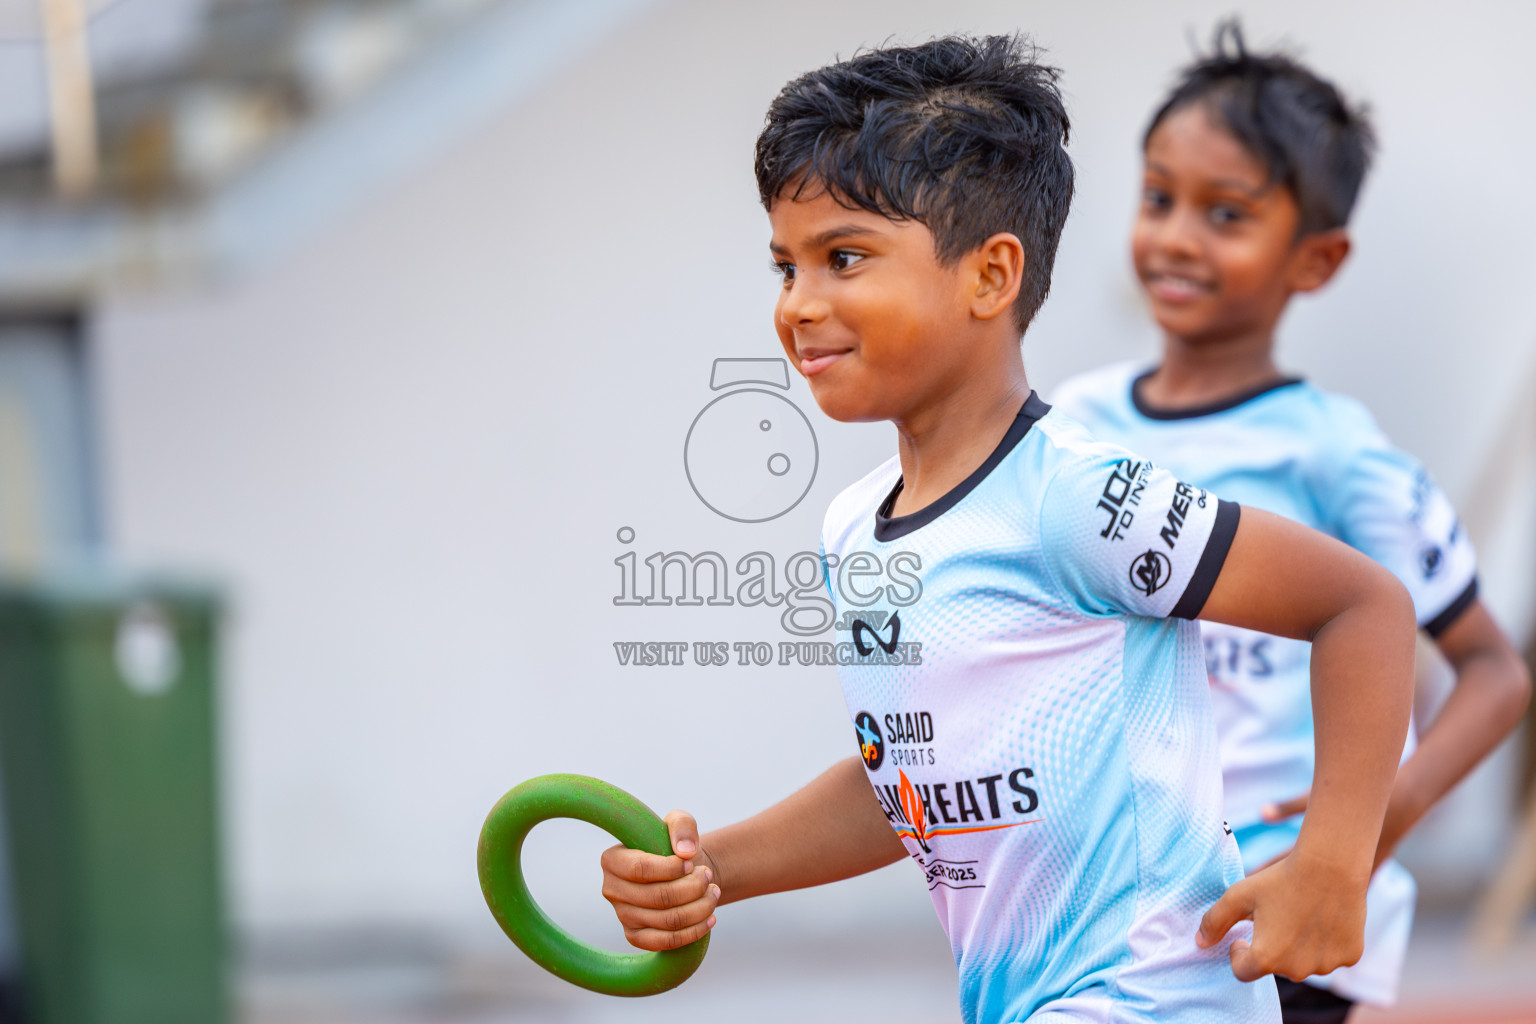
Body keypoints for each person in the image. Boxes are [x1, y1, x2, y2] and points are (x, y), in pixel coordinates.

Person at [601, 35, 1421, 1024]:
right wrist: (711, 869)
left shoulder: (1079, 497)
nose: (800, 306)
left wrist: (1333, 862)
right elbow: (909, 785)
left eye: (844, 258)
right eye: (786, 266)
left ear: (990, 276)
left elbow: (1362, 606)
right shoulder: (853, 529)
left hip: (1148, 999)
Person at [1050, 23, 1532, 1024]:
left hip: (1283, 914)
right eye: (1159, 197)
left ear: (1316, 259)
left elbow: (1495, 673)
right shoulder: (1073, 429)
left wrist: (1368, 825)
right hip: (1114, 908)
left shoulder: (1336, 455)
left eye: (1226, 213)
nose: (1177, 237)